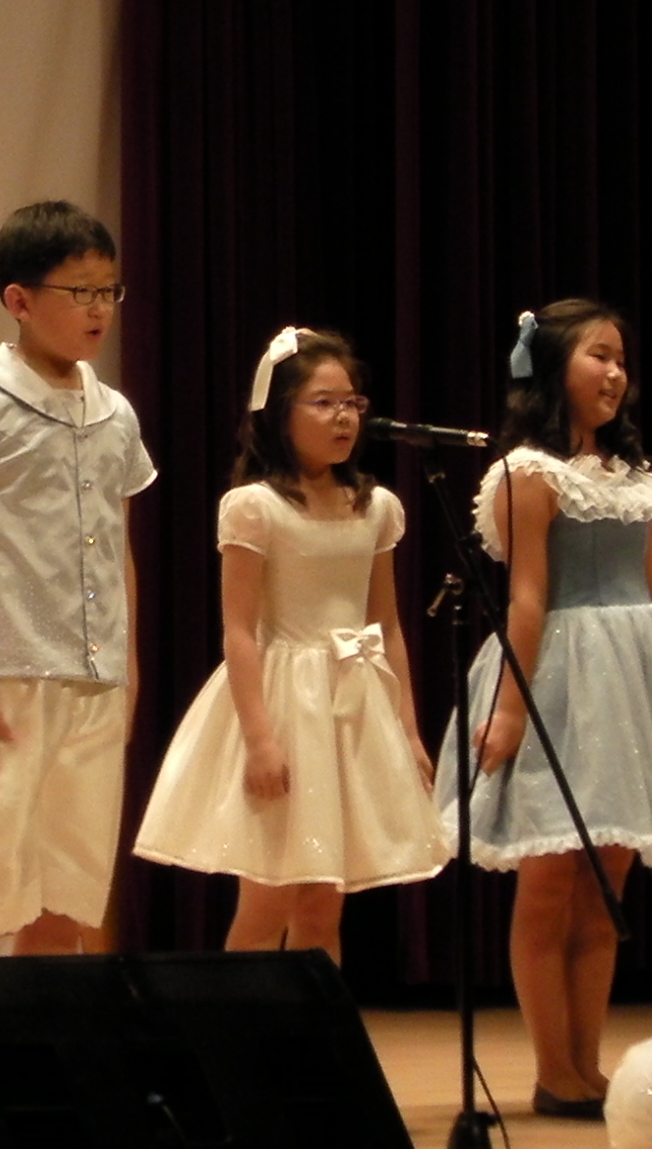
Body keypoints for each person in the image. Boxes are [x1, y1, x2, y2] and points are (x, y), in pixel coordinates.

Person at [436, 301, 652, 1119]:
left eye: (622, 359)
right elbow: (526, 598)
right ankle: (555, 1070)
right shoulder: (528, 472)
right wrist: (512, 708)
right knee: (552, 878)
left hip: (629, 679)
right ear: (554, 366)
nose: (616, 373)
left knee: (606, 878)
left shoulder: (629, 472)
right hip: (559, 676)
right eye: (599, 356)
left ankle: (588, 1065)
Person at [133, 329, 448, 959]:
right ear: (280, 412)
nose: (344, 417)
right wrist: (260, 739)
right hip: (283, 702)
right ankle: (246, 1023)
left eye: (352, 403)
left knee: (323, 905)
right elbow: (239, 630)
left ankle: (317, 1024)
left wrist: (408, 730)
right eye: (324, 402)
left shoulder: (375, 506)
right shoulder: (255, 507)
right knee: (267, 901)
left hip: (350, 705)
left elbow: (386, 626)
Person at [0, 200, 154, 954]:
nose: (98, 309)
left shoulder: (115, 415)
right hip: (4, 678)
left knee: (68, 896)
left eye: (108, 291)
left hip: (93, 682)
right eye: (79, 291)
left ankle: (45, 1036)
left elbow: (117, 549)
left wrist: (127, 670)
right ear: (19, 300)